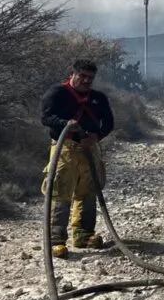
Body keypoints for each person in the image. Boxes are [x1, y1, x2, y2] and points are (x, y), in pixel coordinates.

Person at [40, 59, 115, 258]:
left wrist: (96, 137)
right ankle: (56, 239)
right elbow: (46, 118)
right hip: (64, 147)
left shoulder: (98, 98)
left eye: (90, 78)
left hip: (89, 149)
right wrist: (66, 124)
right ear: (72, 74)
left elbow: (108, 122)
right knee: (60, 192)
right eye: (83, 76)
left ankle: (83, 234)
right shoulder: (57, 93)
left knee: (89, 191)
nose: (87, 81)